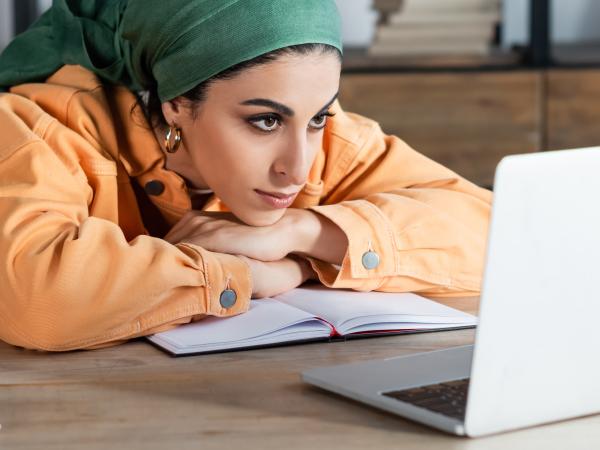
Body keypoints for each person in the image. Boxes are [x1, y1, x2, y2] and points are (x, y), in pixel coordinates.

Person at [0, 0, 492, 352]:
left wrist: (304, 237)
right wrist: (250, 275)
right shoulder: (35, 128)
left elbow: (501, 232)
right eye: (266, 120)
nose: (297, 167)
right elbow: (37, 297)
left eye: (318, 116)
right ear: (175, 103)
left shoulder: (334, 143)